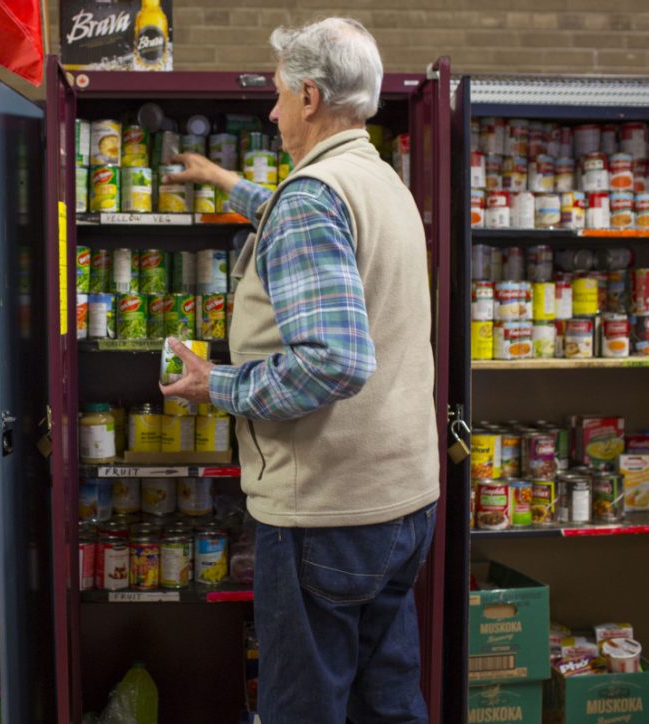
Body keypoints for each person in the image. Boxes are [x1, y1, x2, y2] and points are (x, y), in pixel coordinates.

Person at [159, 17, 440, 724]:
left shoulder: (314, 198)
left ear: (310, 96)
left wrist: (213, 384)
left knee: (304, 708)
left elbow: (335, 364)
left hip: (328, 513)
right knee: (389, 701)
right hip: (401, 503)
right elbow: (305, 223)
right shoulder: (379, 182)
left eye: (280, 94)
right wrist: (227, 182)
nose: (273, 109)